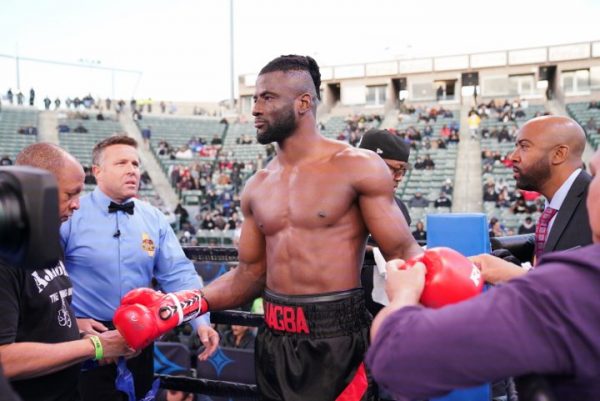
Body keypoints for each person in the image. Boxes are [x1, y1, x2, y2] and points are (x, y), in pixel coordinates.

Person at [198, 55, 422, 401]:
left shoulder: (357, 166)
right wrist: (184, 304)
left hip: (338, 342)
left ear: (304, 103)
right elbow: (248, 275)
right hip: (273, 340)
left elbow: (404, 253)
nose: (255, 109)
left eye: (267, 98)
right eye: (254, 99)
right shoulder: (257, 185)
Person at [366, 148, 600, 400]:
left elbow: (397, 358)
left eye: (595, 175)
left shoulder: (564, 288)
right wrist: (520, 276)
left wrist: (404, 294)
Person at [60, 136, 219, 401]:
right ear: (97, 171)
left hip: (141, 337)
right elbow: (46, 279)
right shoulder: (71, 214)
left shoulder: (154, 217)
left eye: (135, 163)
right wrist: (73, 324)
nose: (132, 170)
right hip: (88, 338)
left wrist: (201, 321)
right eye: (121, 163)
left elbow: (179, 274)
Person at [0, 143, 135, 401]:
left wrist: (78, 330)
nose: (77, 205)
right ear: (36, 191)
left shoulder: (45, 239)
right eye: (70, 194)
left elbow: (42, 313)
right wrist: (95, 346)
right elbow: (4, 359)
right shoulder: (5, 257)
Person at [490, 115, 592, 281]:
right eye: (516, 146)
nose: (513, 156)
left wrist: (518, 277)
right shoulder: (555, 204)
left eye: (524, 146)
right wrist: (516, 266)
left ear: (559, 154)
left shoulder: (594, 202)